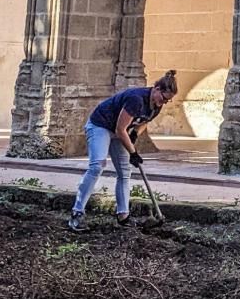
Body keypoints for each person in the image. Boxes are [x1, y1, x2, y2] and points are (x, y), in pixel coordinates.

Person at [67, 70, 178, 231]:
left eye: (168, 100)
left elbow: (144, 121)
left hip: (120, 130)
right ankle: (77, 213)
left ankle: (123, 216)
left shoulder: (156, 106)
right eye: (164, 98)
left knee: (125, 172)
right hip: (101, 125)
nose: (165, 102)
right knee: (97, 165)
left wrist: (134, 135)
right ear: (156, 88)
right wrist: (133, 153)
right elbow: (120, 129)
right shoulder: (136, 99)